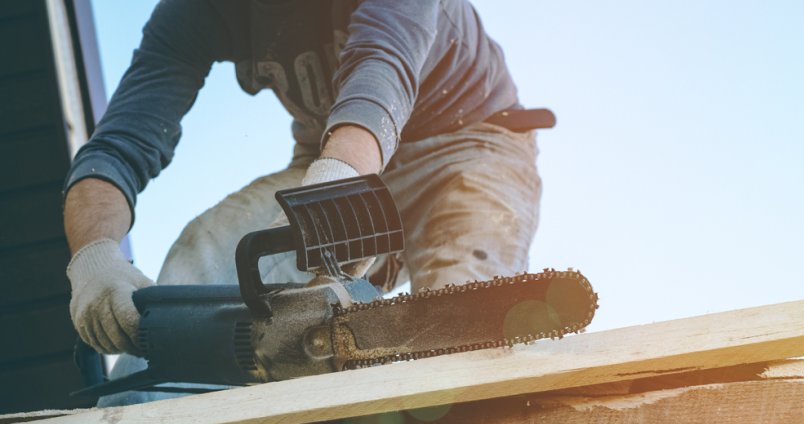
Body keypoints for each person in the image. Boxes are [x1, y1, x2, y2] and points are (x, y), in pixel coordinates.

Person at [64, 0, 547, 371]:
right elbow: (120, 141)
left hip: (467, 146)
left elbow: (383, 66)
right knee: (206, 252)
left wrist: (337, 183)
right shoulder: (193, 12)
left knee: (461, 312)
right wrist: (93, 256)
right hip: (328, 155)